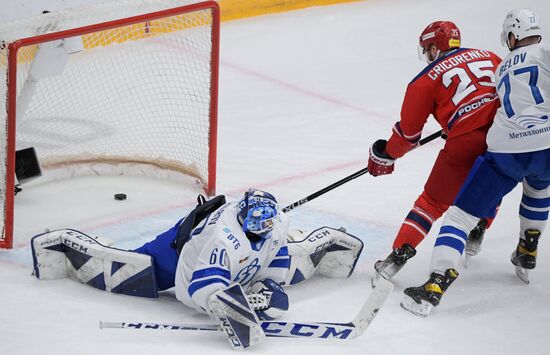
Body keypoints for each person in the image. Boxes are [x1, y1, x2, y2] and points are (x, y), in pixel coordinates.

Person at [30, 188, 364, 348]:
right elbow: (199, 290)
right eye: (253, 223)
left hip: (226, 260)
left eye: (265, 223)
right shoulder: (225, 239)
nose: (260, 228)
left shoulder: (274, 224)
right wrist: (236, 310)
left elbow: (274, 257)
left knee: (280, 292)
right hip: (179, 251)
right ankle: (66, 247)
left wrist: (266, 290)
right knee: (130, 274)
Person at [401, 8, 549, 317]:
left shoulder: (503, 64)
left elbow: (490, 104)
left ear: (512, 36)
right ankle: (527, 248)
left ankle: (434, 286)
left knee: (458, 218)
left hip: (506, 150)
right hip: (547, 143)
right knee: (538, 187)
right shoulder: (543, 52)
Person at [368, 21, 502, 284]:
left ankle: (398, 256)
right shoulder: (490, 56)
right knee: (496, 180)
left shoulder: (423, 80)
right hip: (505, 134)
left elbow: (408, 135)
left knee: (431, 203)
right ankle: (480, 224)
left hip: (465, 142)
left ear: (432, 47)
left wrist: (387, 154)